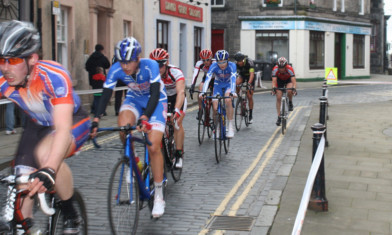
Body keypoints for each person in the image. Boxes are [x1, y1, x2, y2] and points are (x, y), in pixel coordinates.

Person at [0, 20, 90, 234]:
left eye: (12, 60)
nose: (5, 68)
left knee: (45, 156)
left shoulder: (53, 76)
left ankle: (71, 213)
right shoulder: (3, 77)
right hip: (36, 125)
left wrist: (49, 169)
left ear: (32, 59)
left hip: (71, 121)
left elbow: (61, 129)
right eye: (1, 60)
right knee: (21, 193)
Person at [91, 37, 167, 218]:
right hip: (134, 99)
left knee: (153, 145)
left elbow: (155, 93)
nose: (124, 66)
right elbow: (106, 94)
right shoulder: (116, 69)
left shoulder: (150, 66)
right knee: (123, 127)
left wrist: (145, 117)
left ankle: (158, 195)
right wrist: (96, 120)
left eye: (129, 62)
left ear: (137, 58)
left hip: (155, 102)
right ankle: (132, 161)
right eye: (121, 62)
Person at [149, 48, 186, 169]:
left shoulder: (175, 72)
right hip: (162, 98)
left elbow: (181, 92)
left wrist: (176, 109)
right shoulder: (150, 74)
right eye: (155, 65)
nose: (158, 69)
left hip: (176, 97)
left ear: (166, 64)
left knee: (176, 123)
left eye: (160, 65)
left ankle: (179, 154)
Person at [200, 50, 237, 138]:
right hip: (218, 85)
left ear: (227, 60)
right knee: (215, 107)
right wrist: (203, 92)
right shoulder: (213, 66)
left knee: (228, 100)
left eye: (224, 62)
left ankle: (230, 126)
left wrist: (232, 92)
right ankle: (217, 128)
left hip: (228, 84)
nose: (222, 64)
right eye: (219, 62)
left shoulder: (232, 66)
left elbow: (233, 79)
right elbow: (208, 79)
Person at [189, 49, 215, 120]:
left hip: (215, 80)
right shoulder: (199, 63)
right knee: (200, 90)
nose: (206, 62)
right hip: (206, 78)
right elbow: (195, 75)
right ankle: (200, 109)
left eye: (207, 60)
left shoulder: (215, 62)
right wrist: (192, 86)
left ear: (211, 58)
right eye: (203, 60)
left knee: (214, 97)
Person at [85, 44, 110, 114]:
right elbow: (107, 65)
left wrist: (92, 71)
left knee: (96, 94)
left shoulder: (91, 58)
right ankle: (101, 110)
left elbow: (87, 67)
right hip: (102, 78)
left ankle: (94, 108)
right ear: (101, 50)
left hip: (93, 78)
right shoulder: (103, 57)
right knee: (102, 94)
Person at [271, 56, 297, 126]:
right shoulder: (275, 69)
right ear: (278, 66)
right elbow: (274, 82)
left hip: (288, 80)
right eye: (280, 67)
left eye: (283, 68)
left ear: (286, 66)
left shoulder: (290, 69)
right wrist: (273, 88)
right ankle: (279, 116)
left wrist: (294, 89)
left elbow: (294, 81)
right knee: (278, 97)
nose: (281, 69)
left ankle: (290, 102)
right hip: (279, 81)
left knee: (289, 90)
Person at [234, 52, 255, 124]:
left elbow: (252, 74)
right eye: (238, 62)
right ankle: (239, 97)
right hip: (242, 76)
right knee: (236, 83)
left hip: (250, 77)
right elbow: (234, 74)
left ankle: (251, 115)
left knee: (249, 96)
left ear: (243, 60)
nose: (239, 63)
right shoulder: (236, 64)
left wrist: (249, 84)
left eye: (240, 61)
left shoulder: (249, 62)